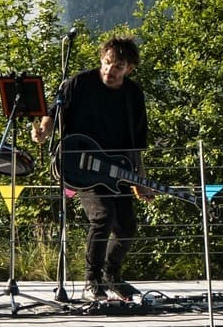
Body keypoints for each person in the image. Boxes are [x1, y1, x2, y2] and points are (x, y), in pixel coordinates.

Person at [32, 36, 151, 302]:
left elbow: (137, 141)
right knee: (103, 216)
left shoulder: (133, 94)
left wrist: (139, 178)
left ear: (130, 68)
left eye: (118, 66)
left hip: (119, 169)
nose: (110, 70)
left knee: (127, 227)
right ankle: (92, 280)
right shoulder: (79, 82)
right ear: (101, 59)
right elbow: (54, 111)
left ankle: (112, 276)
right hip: (80, 166)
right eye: (107, 63)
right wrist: (42, 131)